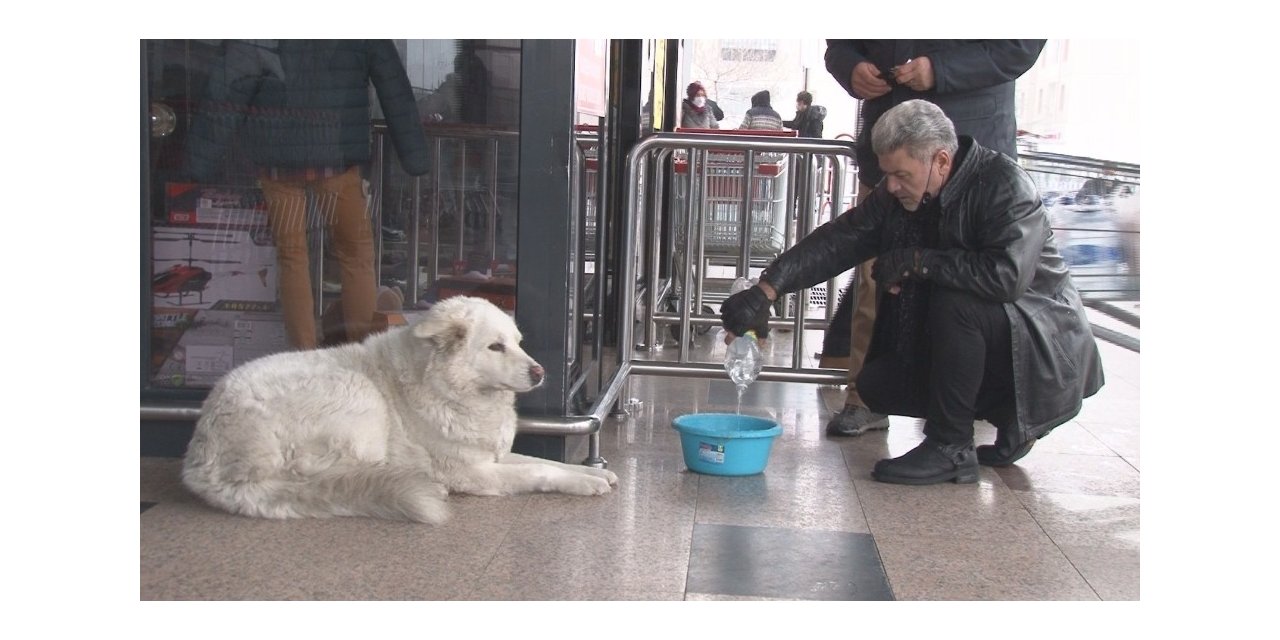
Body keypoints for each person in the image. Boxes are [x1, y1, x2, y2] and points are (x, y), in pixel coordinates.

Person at [719, 100, 1103, 485]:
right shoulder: (899, 195)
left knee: (958, 303)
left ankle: (951, 447)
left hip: (1043, 349)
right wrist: (766, 290)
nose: (890, 186)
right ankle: (1010, 419)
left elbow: (1006, 277)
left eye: (900, 174)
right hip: (998, 337)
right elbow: (841, 239)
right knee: (878, 385)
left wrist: (919, 261)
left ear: (939, 160)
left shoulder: (1004, 185)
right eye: (886, 174)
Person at [820, 39, 1047, 437]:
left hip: (972, 146)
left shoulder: (997, 187)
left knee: (969, 289)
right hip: (889, 149)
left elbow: (1019, 45)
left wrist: (941, 70)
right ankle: (865, 396)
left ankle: (971, 408)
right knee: (874, 281)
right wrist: (850, 65)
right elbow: (840, 42)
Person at [186, 39, 431, 350]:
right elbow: (393, 87)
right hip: (336, 158)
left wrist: (199, 161)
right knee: (355, 256)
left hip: (278, 162)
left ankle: (304, 353)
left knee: (292, 258)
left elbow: (228, 86)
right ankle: (363, 353)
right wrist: (415, 158)